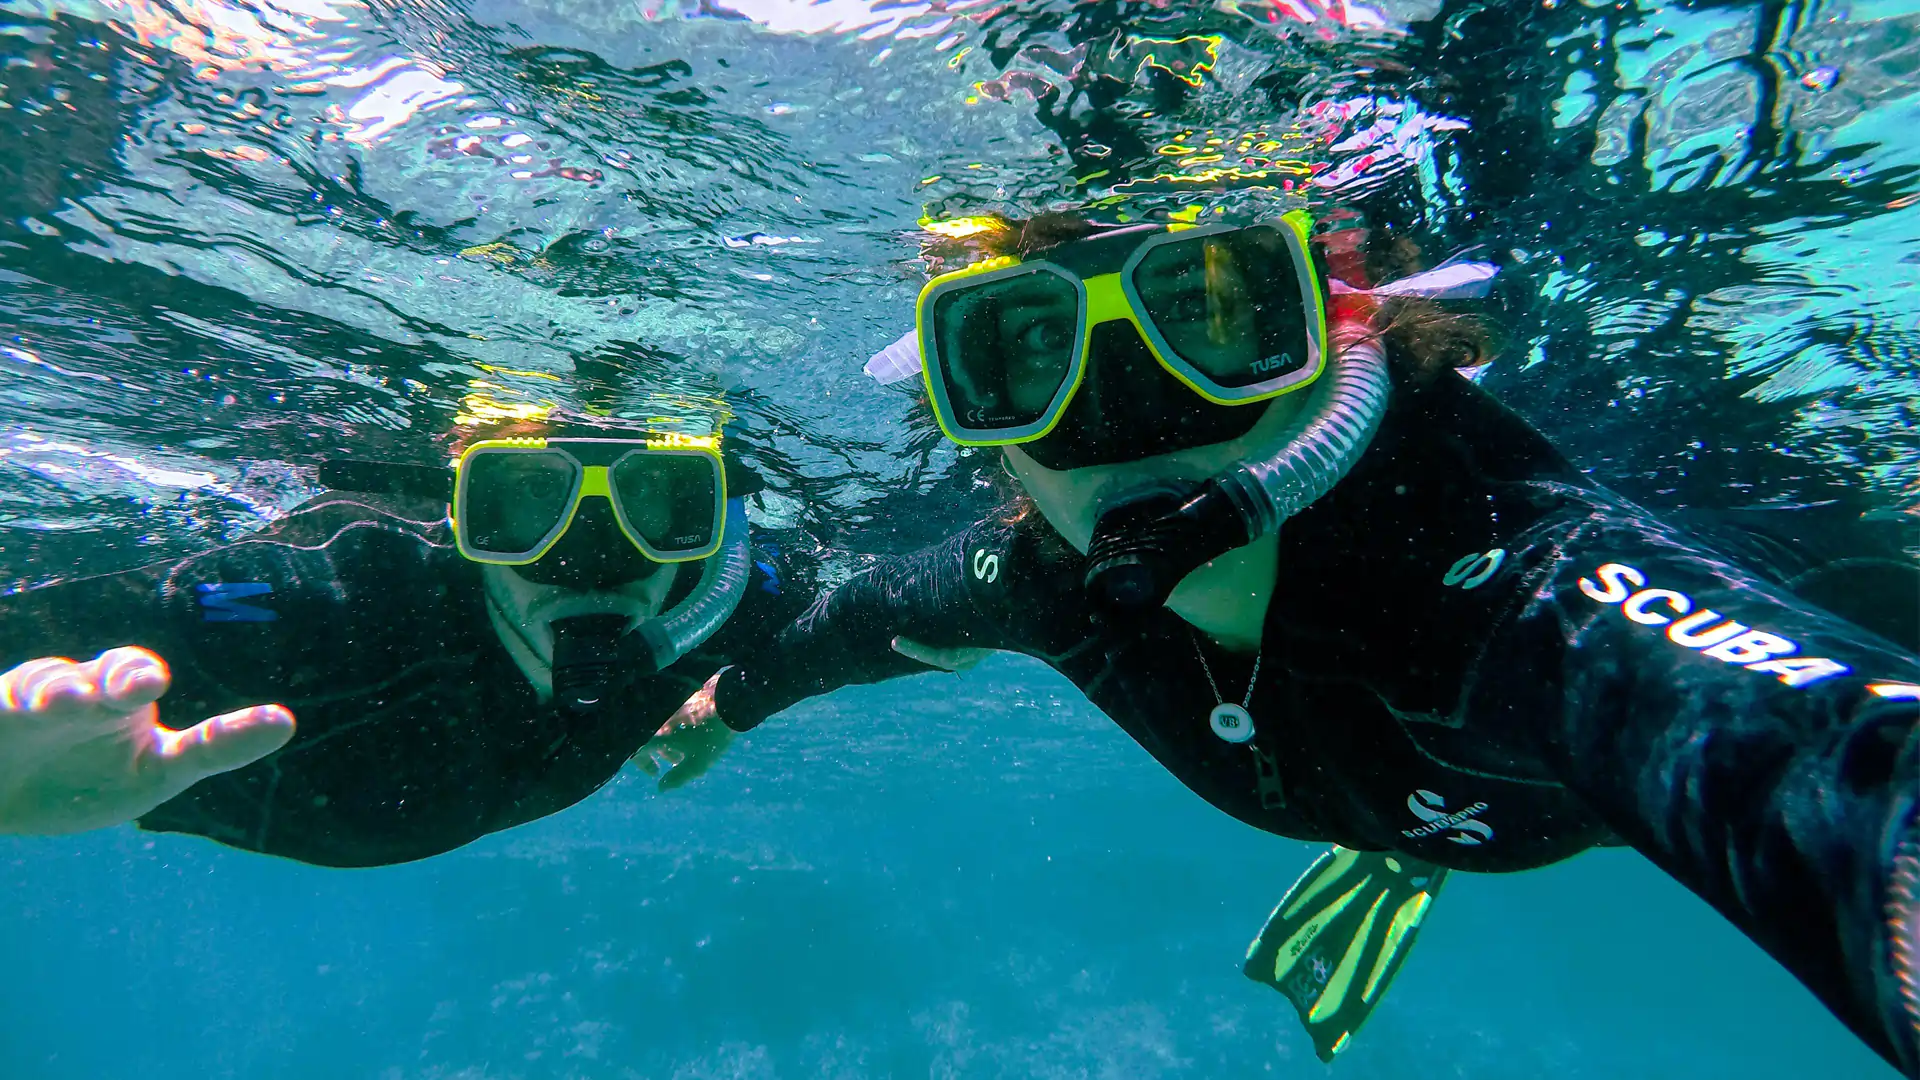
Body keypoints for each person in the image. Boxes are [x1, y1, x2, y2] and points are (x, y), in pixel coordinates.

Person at [651, 209, 1920, 1072]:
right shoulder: (1033, 575)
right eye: (1032, 346)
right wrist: (728, 707)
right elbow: (855, 621)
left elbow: (1816, 759)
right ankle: (1406, 849)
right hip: (1411, 796)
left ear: (1343, 341)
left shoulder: (1521, 589)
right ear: (979, 415)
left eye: (1210, 313)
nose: (1126, 412)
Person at [0, 410, 810, 866]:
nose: (590, 559)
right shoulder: (328, 602)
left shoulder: (733, 596)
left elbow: (881, 611)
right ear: (462, 512)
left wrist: (740, 700)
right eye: (528, 501)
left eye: (658, 503)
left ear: (712, 521)